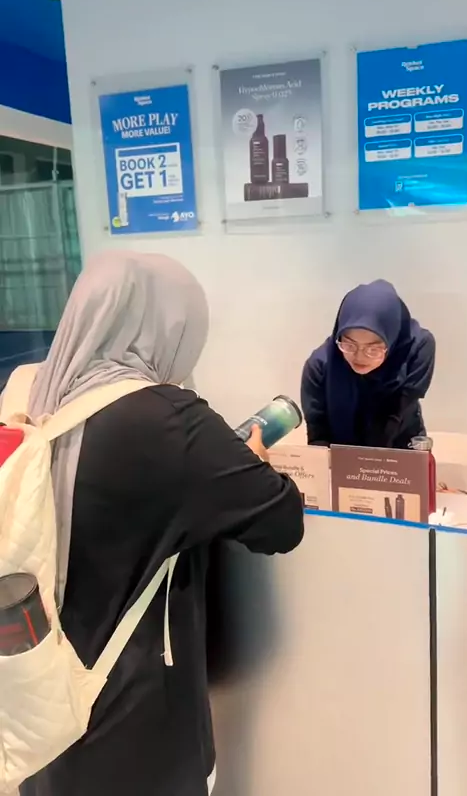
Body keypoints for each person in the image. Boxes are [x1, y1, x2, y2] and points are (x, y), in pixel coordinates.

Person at [19, 250, 304, 796]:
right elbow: (280, 520)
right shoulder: (168, 418)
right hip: (137, 725)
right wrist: (254, 460)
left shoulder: (33, 398)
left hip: (42, 710)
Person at [301, 279, 435, 449]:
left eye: (373, 348)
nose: (360, 357)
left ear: (392, 340)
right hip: (340, 451)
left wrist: (373, 458)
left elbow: (401, 406)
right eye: (349, 345)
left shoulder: (417, 349)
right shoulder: (319, 367)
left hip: (400, 442)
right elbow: (318, 432)